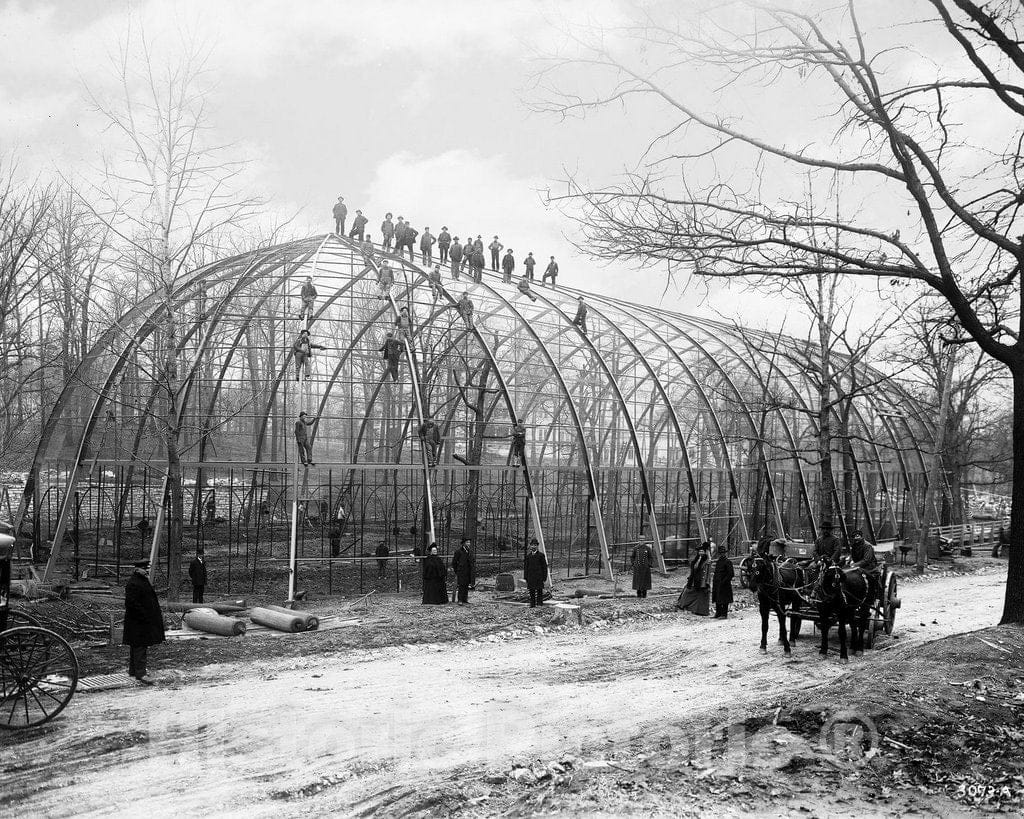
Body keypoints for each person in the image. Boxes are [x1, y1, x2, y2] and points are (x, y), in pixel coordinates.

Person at [123, 559, 165, 685]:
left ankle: (134, 671)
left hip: (140, 621)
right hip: (138, 621)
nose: (147, 570)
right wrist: (144, 616)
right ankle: (141, 674)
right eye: (144, 568)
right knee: (140, 646)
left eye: (147, 568)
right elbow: (131, 603)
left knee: (137, 645)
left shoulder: (142, 580)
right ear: (137, 569)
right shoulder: (134, 582)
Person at [677, 541, 712, 615]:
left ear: (705, 552)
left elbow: (707, 572)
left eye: (702, 551)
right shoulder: (696, 559)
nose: (700, 552)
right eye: (700, 551)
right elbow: (693, 569)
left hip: (701, 581)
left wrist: (706, 582)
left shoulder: (706, 561)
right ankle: (682, 605)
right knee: (687, 591)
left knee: (701, 595)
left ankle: (700, 611)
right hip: (693, 579)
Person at [848, 529, 879, 601]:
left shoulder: (868, 546)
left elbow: (866, 560)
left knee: (866, 576)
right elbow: (852, 556)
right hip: (857, 566)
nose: (856, 538)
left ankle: (869, 595)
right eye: (854, 537)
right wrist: (849, 561)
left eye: (857, 536)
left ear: (861, 537)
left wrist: (854, 565)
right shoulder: (854, 546)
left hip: (869, 566)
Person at [523, 538, 547, 608]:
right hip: (530, 576)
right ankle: (532, 604)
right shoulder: (528, 556)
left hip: (539, 576)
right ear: (530, 546)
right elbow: (526, 567)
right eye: (532, 545)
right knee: (531, 591)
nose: (533, 546)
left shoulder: (541, 555)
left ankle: (539, 603)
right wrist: (526, 577)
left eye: (535, 545)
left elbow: (544, 567)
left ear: (537, 546)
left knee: (539, 590)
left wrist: (544, 577)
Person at [712, 546, 734, 619]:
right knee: (717, 598)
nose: (722, 554)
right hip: (717, 583)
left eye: (723, 553)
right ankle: (718, 613)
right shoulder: (718, 561)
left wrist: (724, 581)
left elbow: (731, 574)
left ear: (725, 553)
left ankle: (724, 614)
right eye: (721, 553)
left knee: (725, 599)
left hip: (725, 584)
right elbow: (716, 573)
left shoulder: (728, 562)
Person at [452, 538, 475, 605]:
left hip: (468, 571)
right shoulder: (458, 551)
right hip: (461, 571)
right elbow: (454, 562)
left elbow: (472, 560)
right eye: (467, 542)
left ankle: (465, 599)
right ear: (463, 543)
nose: (468, 544)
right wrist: (457, 570)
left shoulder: (470, 551)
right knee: (461, 585)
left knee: (466, 585)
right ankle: (460, 600)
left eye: (469, 542)